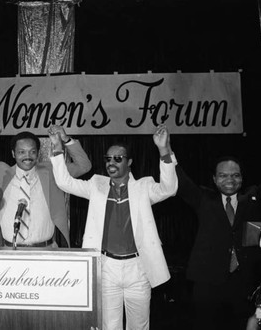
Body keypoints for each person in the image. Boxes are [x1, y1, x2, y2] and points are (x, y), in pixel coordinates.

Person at [49, 124, 177, 330]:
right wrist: (58, 145)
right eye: (108, 158)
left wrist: (164, 150)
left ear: (130, 162)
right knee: (109, 326)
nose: (111, 162)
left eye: (118, 158)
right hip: (106, 267)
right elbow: (65, 183)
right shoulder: (96, 185)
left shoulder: (143, 187)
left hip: (138, 268)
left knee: (139, 326)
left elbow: (169, 188)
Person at [0, 125, 92, 248]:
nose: (27, 156)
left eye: (32, 152)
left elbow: (84, 166)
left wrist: (66, 140)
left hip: (47, 250)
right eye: (21, 152)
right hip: (9, 251)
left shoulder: (52, 170)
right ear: (13, 154)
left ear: (38, 153)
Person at [176, 154, 261, 330]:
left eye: (235, 175)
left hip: (244, 284)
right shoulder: (204, 199)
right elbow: (181, 181)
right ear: (214, 179)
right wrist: (165, 149)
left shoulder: (253, 198)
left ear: (242, 178)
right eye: (223, 175)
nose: (230, 180)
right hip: (207, 284)